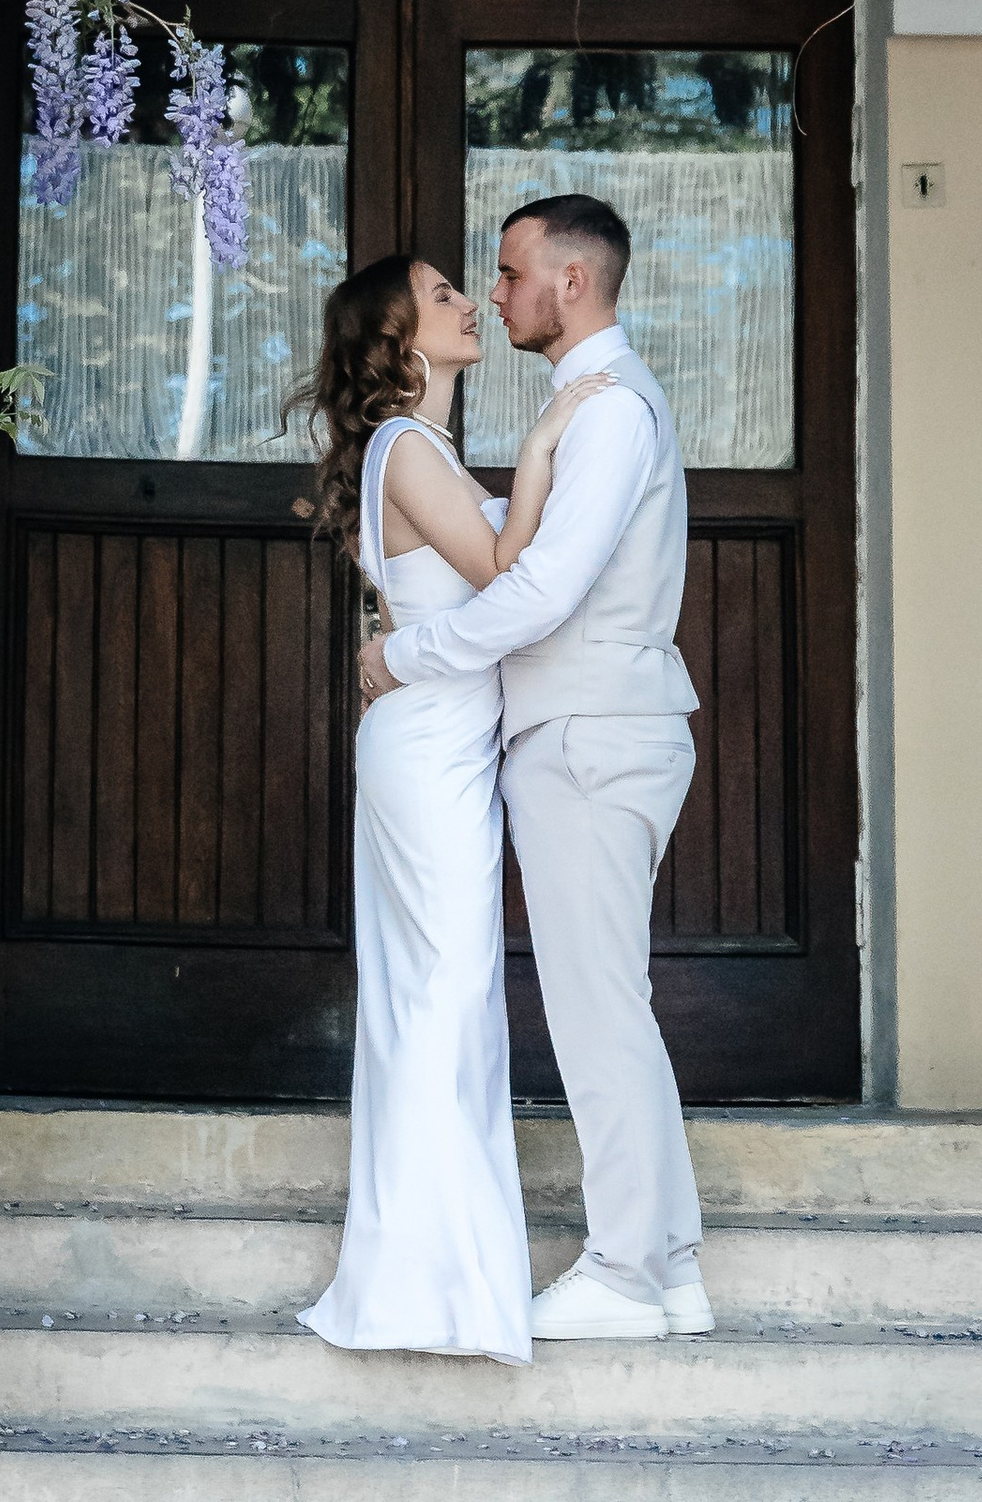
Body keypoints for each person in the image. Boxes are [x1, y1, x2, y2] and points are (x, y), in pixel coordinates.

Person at [360, 194, 706, 1347]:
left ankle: (623, 1265)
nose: (494, 294)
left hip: (589, 736)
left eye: (507, 275)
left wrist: (405, 652)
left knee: (596, 1005)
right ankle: (670, 1264)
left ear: (570, 281)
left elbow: (539, 590)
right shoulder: (587, 406)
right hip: (588, 732)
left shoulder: (604, 413)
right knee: (613, 999)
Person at [295, 248, 614, 1361]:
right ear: (396, 338)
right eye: (441, 296)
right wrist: (540, 447)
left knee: (443, 993)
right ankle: (422, 1286)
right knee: (440, 994)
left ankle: (433, 1275)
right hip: (427, 748)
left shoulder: (413, 448)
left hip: (434, 741)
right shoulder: (406, 445)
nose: (469, 302)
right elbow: (503, 568)